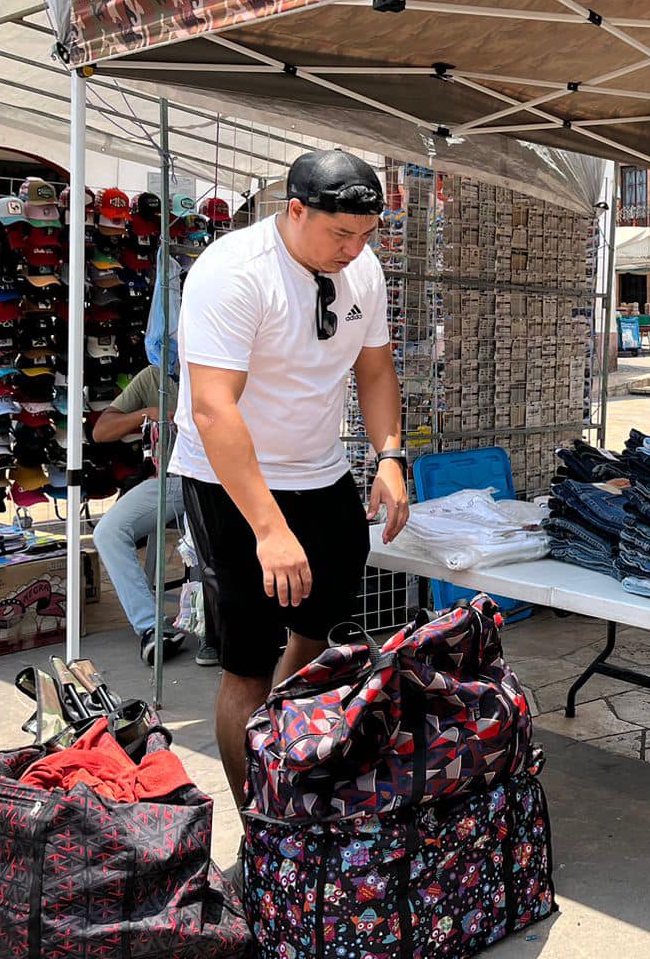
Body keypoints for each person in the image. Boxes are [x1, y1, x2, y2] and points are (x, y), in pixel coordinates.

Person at [174, 148, 409, 819]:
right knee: (246, 661)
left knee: (323, 632)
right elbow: (213, 407)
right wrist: (269, 529)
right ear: (296, 210)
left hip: (322, 470)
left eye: (366, 235)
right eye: (341, 233)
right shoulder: (232, 271)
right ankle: (262, 824)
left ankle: (290, 757)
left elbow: (376, 370)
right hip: (232, 483)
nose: (355, 248)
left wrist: (390, 457)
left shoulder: (361, 270)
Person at [91, 363, 211, 665]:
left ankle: (216, 628)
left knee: (210, 533)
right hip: (174, 480)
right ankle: (151, 626)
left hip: (221, 477)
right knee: (108, 532)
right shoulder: (155, 376)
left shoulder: (220, 361)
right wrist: (147, 413)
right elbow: (101, 432)